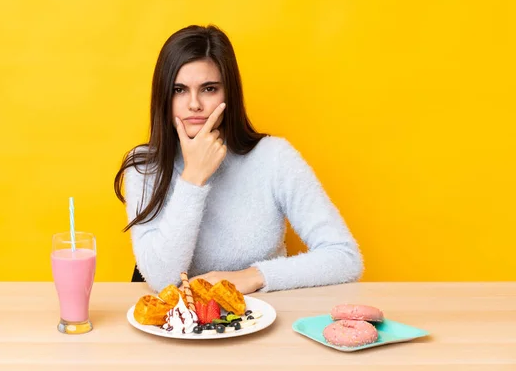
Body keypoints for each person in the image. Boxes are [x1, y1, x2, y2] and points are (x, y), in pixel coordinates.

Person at [114, 25, 363, 294]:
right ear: (163, 97)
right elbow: (162, 280)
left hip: (261, 319)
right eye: (179, 90)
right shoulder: (143, 167)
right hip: (181, 327)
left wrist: (255, 276)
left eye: (209, 89)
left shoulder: (273, 157)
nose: (194, 104)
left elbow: (345, 257)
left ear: (228, 94)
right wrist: (194, 177)